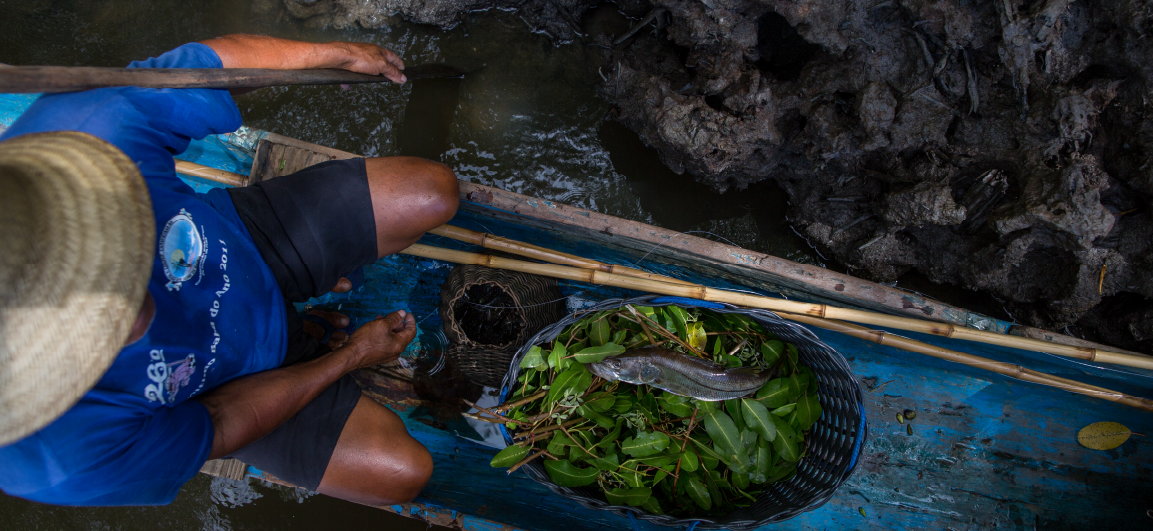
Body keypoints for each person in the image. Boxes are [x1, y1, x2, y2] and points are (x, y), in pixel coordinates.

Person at [0, 34, 459, 506]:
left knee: (431, 192)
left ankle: (293, 294)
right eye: (95, 341)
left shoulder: (81, 135)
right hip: (221, 388)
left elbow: (210, 67)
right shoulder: (52, 461)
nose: (141, 321)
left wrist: (335, 55)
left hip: (239, 243)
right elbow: (218, 420)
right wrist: (349, 357)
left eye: (126, 271)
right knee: (401, 473)